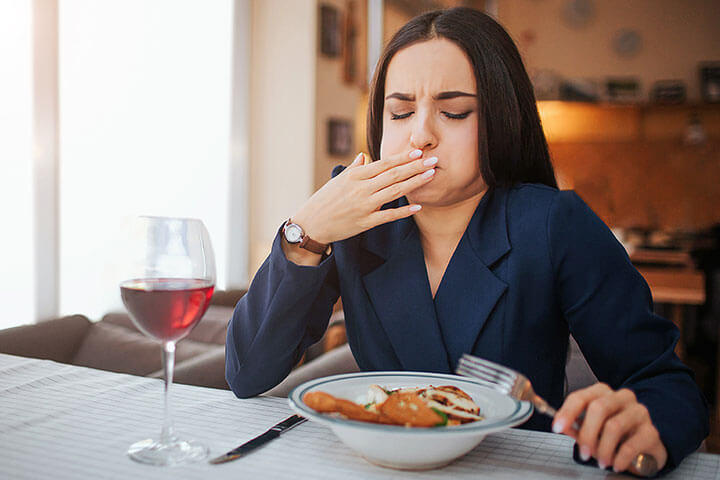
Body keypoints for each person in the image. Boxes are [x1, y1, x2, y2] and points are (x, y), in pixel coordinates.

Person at [225, 7, 708, 474]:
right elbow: (248, 373)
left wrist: (646, 424)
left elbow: (666, 384)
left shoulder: (554, 224)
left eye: (453, 112)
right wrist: (305, 234)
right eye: (400, 112)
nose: (421, 135)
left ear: (501, 119)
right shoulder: (356, 215)